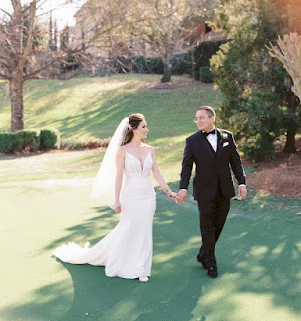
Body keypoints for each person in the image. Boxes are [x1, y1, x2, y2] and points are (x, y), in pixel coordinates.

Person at [54, 114, 176, 283]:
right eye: (143, 127)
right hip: (130, 195)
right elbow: (119, 176)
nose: (147, 130)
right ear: (133, 129)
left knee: (145, 230)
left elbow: (157, 173)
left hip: (148, 196)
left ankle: (142, 268)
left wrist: (168, 191)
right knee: (128, 228)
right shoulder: (122, 151)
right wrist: (117, 199)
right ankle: (117, 262)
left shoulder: (150, 150)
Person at [176, 106, 247, 278]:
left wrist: (242, 182)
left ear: (212, 118)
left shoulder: (227, 136)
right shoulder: (192, 141)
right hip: (204, 190)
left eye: (201, 117)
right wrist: (183, 187)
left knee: (219, 224)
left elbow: (235, 162)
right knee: (207, 226)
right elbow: (187, 166)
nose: (198, 121)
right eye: (196, 118)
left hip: (225, 189)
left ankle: (203, 254)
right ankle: (211, 263)